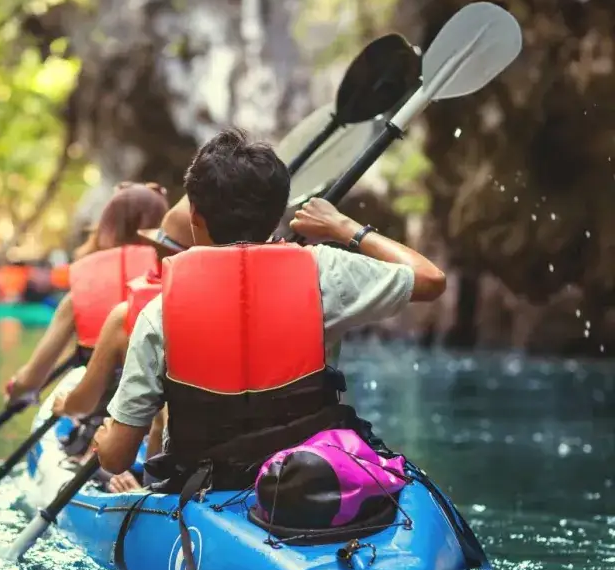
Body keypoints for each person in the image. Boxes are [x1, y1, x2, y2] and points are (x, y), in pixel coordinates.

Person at [92, 128, 446, 497]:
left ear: (195, 215)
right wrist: (344, 227)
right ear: (277, 214)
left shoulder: (159, 312)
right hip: (310, 481)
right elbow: (430, 279)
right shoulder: (324, 272)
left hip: (207, 489)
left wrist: (103, 440)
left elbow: (116, 458)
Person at [51, 197, 196, 491]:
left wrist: (67, 405)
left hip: (143, 453)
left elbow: (92, 414)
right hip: (214, 469)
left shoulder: (129, 316)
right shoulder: (248, 309)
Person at [3, 182, 168, 401]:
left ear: (105, 227)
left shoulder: (81, 293)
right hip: (161, 408)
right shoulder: (174, 282)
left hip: (95, 409)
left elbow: (32, 379)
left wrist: (16, 388)